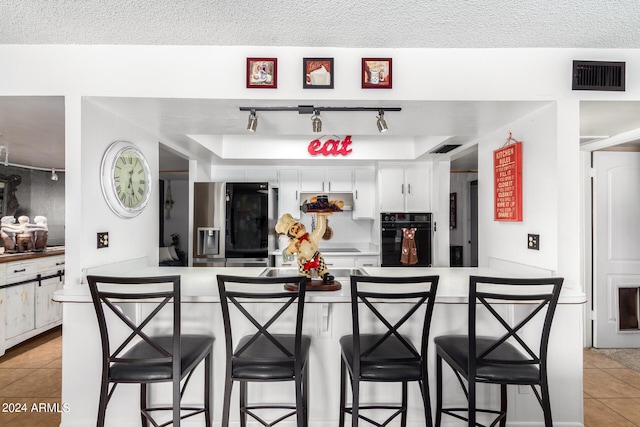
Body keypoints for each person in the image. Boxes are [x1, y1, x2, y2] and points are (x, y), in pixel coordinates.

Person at [275, 212, 334, 283]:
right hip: (303, 261)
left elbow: (320, 229)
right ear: (291, 236)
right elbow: (285, 254)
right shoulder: (295, 244)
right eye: (292, 229)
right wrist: (289, 250)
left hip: (315, 257)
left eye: (296, 224)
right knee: (303, 274)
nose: (296, 227)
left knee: (321, 264)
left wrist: (320, 214)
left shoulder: (312, 237)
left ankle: (325, 274)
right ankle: (305, 277)